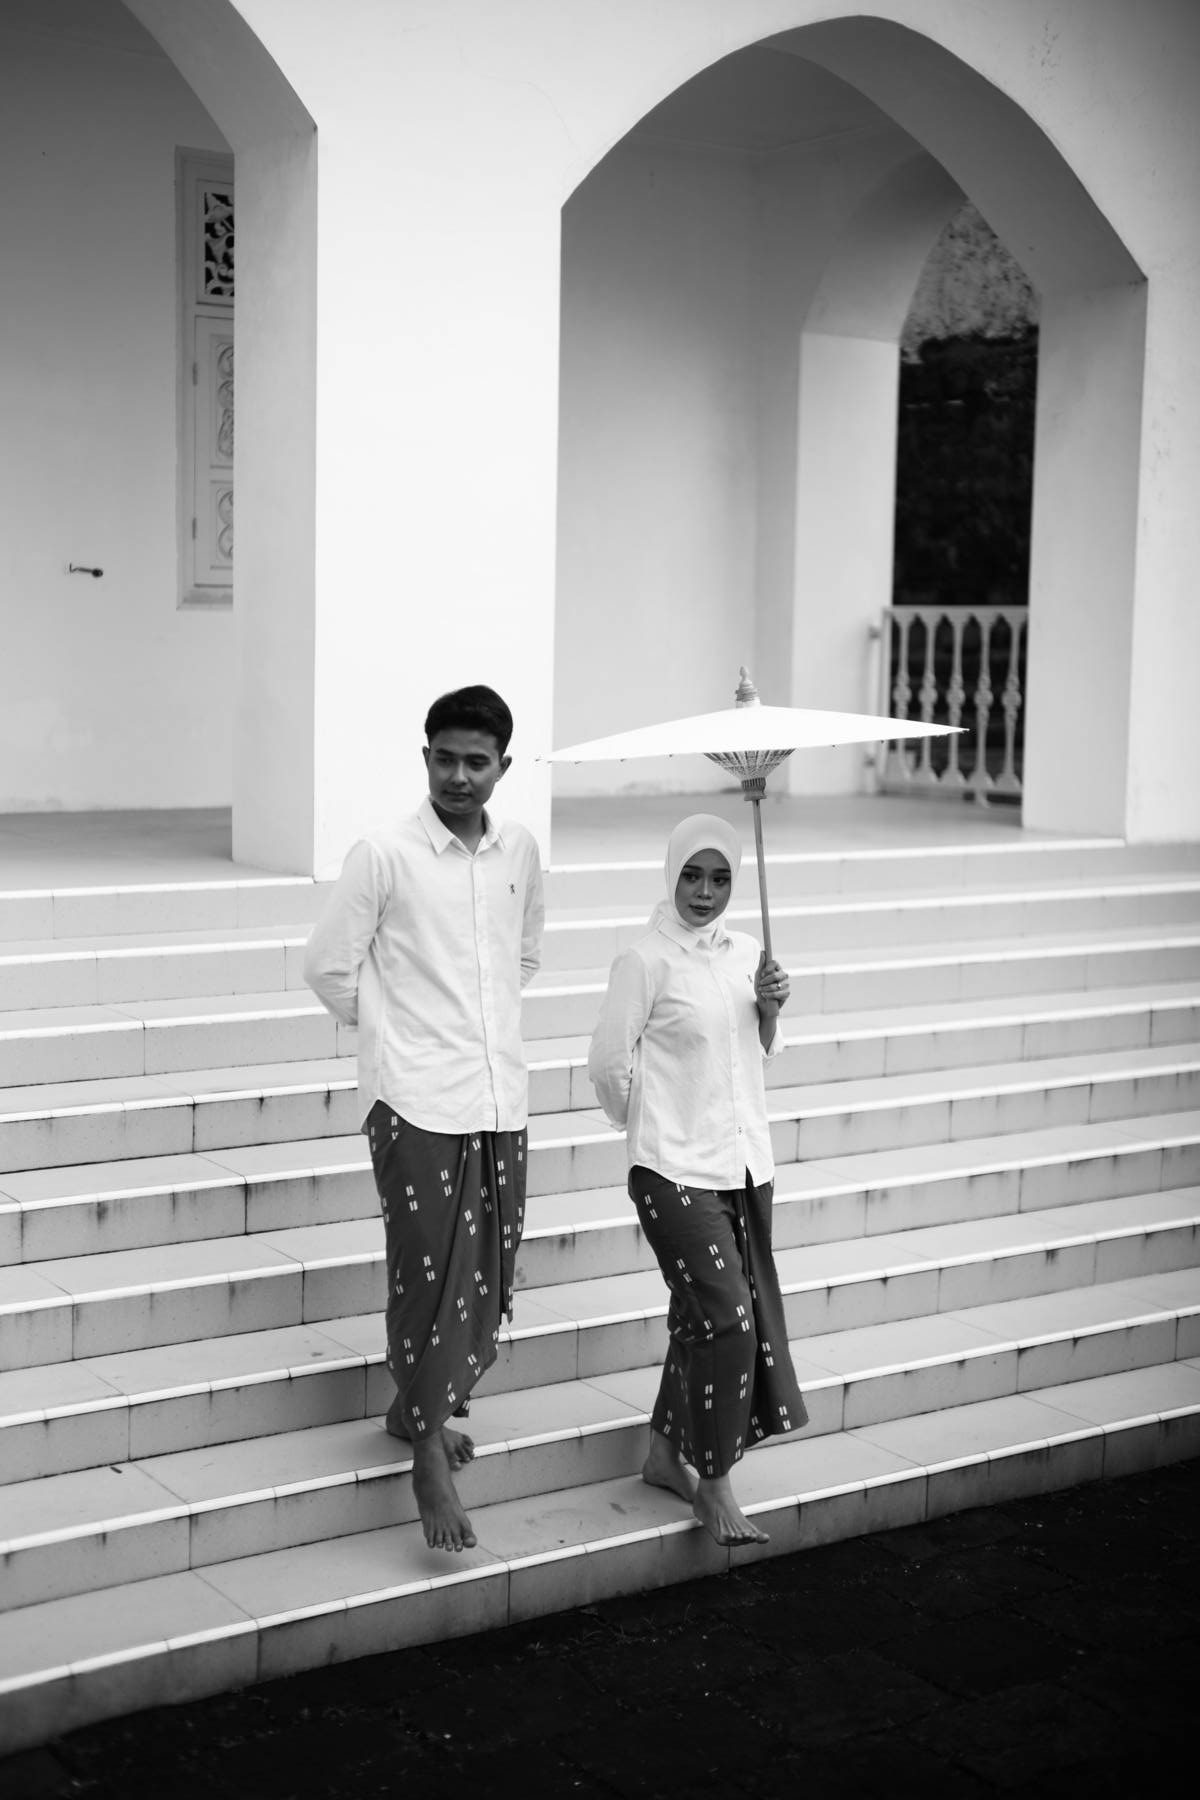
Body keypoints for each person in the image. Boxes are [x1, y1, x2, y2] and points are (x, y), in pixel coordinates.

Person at [304, 685, 544, 1553]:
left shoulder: (520, 851)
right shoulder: (385, 855)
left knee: (486, 1271)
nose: (458, 775)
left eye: (476, 761)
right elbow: (328, 967)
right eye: (445, 758)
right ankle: (428, 1457)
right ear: (426, 758)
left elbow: (524, 955)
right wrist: (393, 1033)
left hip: (497, 1095)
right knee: (426, 1273)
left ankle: (416, 1409)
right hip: (413, 1098)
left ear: (502, 766)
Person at [588, 813, 807, 1547]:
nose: (704, 892)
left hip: (743, 1166)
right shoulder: (644, 960)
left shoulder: (748, 954)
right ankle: (714, 1478)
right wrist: (649, 1121)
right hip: (672, 1168)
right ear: (671, 873)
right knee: (729, 1320)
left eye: (719, 878)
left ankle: (662, 1454)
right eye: (691, 875)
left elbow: (757, 1051)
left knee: (698, 1316)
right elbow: (607, 1064)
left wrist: (769, 1009)